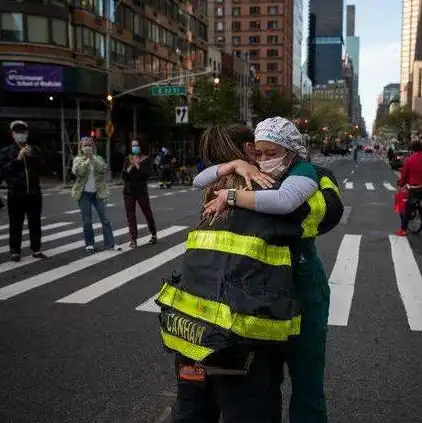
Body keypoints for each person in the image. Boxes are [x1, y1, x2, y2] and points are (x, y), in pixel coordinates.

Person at [194, 117, 343, 423]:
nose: (262, 159)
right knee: (266, 383)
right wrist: (235, 165)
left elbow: (288, 203)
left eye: (270, 152)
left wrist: (231, 196)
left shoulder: (305, 174)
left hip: (302, 290)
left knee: (306, 383)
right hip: (263, 296)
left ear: (290, 150)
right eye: (257, 153)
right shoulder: (250, 173)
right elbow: (199, 179)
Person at [156, 124, 305, 423]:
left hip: (191, 331)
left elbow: (201, 177)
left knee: (192, 410)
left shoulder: (214, 191)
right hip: (241, 336)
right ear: (249, 148)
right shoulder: (265, 188)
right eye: (259, 148)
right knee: (248, 412)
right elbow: (306, 215)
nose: (264, 154)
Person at [0, 120, 47, 262]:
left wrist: (34, 157)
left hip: (33, 193)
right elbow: (4, 171)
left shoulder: (34, 149)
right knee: (16, 223)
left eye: (23, 132)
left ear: (26, 134)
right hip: (16, 193)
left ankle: (36, 249)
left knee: (35, 223)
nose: (20, 135)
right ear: (13, 134)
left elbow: (44, 168)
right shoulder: (7, 151)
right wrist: (18, 159)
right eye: (17, 132)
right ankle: (15, 250)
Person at [71, 136, 120, 253]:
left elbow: (103, 169)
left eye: (89, 145)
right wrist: (87, 160)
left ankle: (110, 243)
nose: (87, 147)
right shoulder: (78, 160)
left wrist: (92, 158)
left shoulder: (98, 158)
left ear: (93, 147)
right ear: (81, 147)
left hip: (98, 193)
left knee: (105, 219)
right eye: (85, 145)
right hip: (84, 193)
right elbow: (77, 172)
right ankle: (89, 243)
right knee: (87, 220)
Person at [122, 140, 157, 247]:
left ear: (140, 146)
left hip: (141, 190)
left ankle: (153, 234)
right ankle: (133, 239)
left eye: (136, 145)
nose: (134, 147)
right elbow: (124, 176)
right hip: (128, 190)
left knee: (147, 212)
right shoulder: (128, 159)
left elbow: (147, 174)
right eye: (133, 145)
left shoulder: (145, 159)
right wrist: (131, 166)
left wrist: (137, 165)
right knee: (130, 215)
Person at [396, 140, 422, 236]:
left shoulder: (410, 159)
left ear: (412, 149)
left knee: (407, 207)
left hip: (416, 188)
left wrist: (401, 183)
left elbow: (404, 175)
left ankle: (403, 229)